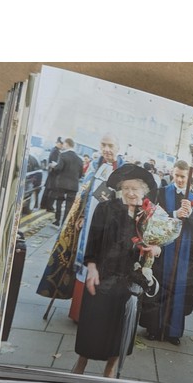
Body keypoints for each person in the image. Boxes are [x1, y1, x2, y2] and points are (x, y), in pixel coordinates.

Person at [72, 164, 160, 377]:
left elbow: (158, 243)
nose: (131, 192)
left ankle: (110, 370)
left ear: (143, 192)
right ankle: (81, 364)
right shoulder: (106, 208)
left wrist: (156, 249)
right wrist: (91, 268)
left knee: (120, 329)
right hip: (103, 276)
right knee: (94, 323)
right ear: (120, 189)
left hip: (131, 281)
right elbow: (93, 240)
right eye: (127, 188)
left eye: (136, 189)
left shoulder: (149, 216)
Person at [140, 160, 193, 346]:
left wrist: (190, 214)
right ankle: (153, 328)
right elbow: (151, 215)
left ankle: (173, 331)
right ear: (172, 174)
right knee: (159, 286)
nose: (180, 179)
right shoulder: (161, 192)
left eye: (183, 176)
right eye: (177, 175)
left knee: (178, 289)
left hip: (182, 251)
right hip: (164, 248)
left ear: (188, 177)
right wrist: (175, 214)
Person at [69, 133, 125, 321]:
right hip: (90, 224)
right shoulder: (95, 165)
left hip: (110, 227)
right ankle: (78, 312)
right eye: (103, 145)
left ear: (118, 147)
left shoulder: (124, 169)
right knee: (86, 263)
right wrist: (83, 214)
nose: (106, 149)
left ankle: (95, 314)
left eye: (110, 145)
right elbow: (86, 192)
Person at [52, 138, 83, 227]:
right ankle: (64, 224)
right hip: (73, 185)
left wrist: (54, 167)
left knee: (59, 201)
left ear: (67, 144)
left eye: (64, 144)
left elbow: (58, 168)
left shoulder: (63, 155)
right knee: (69, 206)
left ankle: (57, 221)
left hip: (62, 183)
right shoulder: (79, 159)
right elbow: (80, 174)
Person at [40, 137, 63, 211]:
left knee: (48, 189)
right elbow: (54, 163)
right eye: (61, 144)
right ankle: (46, 205)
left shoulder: (55, 150)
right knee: (51, 190)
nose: (62, 145)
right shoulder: (55, 151)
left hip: (51, 173)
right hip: (53, 173)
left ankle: (43, 205)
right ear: (58, 143)